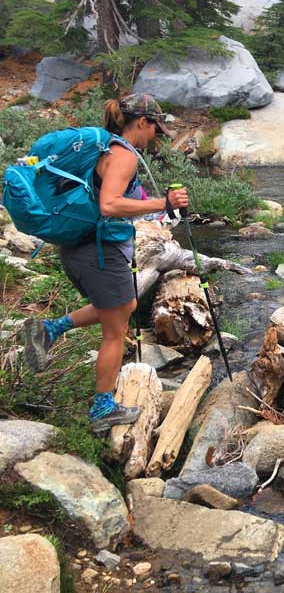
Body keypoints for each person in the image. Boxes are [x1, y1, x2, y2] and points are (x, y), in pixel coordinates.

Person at [19, 94, 189, 433]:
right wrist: (163, 200)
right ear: (142, 122)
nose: (157, 135)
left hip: (83, 247)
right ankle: (102, 408)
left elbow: (123, 202)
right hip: (98, 251)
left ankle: (49, 329)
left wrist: (164, 208)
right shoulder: (123, 155)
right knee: (115, 332)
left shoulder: (108, 150)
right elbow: (110, 204)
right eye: (156, 128)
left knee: (126, 303)